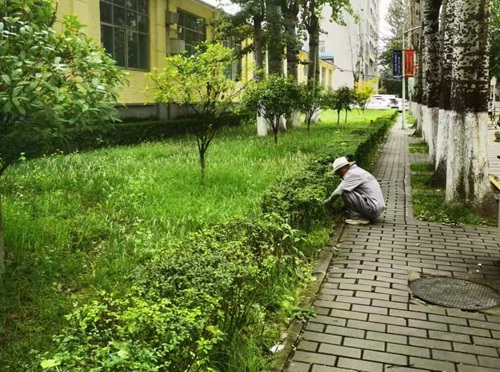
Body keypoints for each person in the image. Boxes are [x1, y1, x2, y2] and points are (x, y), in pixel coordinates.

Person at [323, 156, 385, 225]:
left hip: (372, 209)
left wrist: (328, 202)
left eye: (338, 173)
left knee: (344, 191)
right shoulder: (358, 171)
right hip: (377, 208)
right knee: (347, 189)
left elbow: (338, 192)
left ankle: (357, 218)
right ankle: (359, 215)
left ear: (341, 170)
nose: (338, 175)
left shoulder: (351, 174)